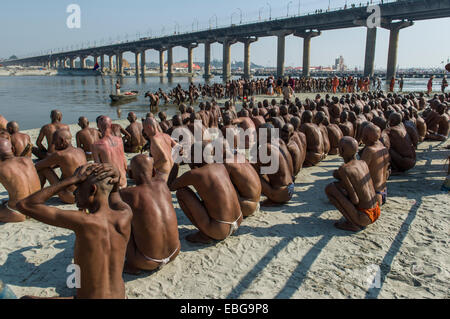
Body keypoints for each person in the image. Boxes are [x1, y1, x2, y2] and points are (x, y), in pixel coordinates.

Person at [17, 164, 133, 299]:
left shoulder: (84, 222)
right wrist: (115, 179)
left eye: (78, 187)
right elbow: (114, 194)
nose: (74, 192)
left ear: (92, 190)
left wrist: (71, 180)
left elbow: (25, 205)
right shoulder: (125, 215)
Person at [169, 142, 243, 244]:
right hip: (238, 221)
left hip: (220, 230)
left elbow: (171, 186)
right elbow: (199, 172)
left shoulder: (195, 174)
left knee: (181, 192)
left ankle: (205, 234)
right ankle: (209, 230)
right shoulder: (220, 166)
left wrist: (176, 160)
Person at [120, 155, 180, 274]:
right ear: (153, 171)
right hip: (175, 251)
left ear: (130, 174)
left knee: (120, 221)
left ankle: (132, 264)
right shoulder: (163, 185)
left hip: (145, 261)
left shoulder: (127, 194)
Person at [325, 137, 380, 232]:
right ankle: (355, 219)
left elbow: (355, 199)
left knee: (330, 188)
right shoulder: (362, 163)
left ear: (341, 150)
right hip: (376, 211)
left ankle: (352, 223)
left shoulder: (344, 169)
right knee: (338, 185)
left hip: (364, 217)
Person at [35, 130, 87, 204]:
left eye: (54, 142)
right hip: (84, 195)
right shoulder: (80, 150)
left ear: (62, 140)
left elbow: (37, 166)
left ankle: (36, 195)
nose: (53, 144)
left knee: (44, 169)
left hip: (70, 196)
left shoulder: (60, 155)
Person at [0, 138, 41, 223]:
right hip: (39, 209)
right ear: (13, 149)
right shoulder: (28, 160)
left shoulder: (1, 168)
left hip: (18, 212)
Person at [255, 124, 294, 206]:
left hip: (280, 194)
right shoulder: (279, 143)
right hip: (290, 191)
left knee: (253, 173)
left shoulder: (266, 147)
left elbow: (256, 168)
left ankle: (253, 198)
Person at [221, 140, 262, 217]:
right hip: (256, 203)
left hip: (246, 206)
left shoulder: (227, 163)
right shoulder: (240, 156)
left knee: (220, 185)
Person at [92, 116, 128, 189]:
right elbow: (124, 163)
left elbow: (98, 168)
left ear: (98, 126)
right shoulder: (119, 140)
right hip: (124, 181)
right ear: (111, 125)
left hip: (112, 184)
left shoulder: (96, 145)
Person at [360, 124, 390, 206]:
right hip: (383, 192)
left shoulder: (369, 150)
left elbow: (359, 171)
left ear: (365, 137)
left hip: (374, 196)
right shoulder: (384, 149)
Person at [143, 117, 177, 183]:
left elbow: (164, 159)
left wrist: (150, 168)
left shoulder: (154, 139)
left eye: (144, 129)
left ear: (149, 127)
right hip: (172, 172)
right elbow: (179, 148)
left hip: (163, 174)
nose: (144, 132)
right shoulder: (166, 135)